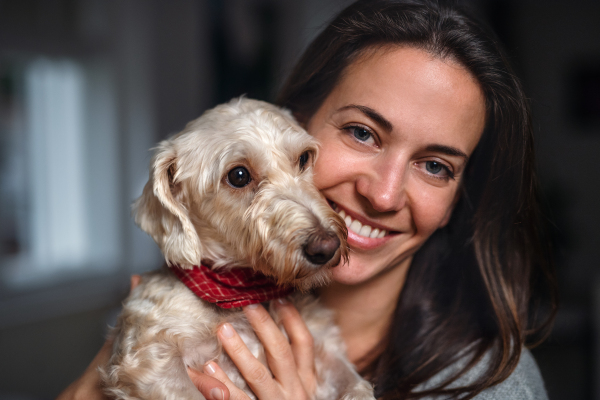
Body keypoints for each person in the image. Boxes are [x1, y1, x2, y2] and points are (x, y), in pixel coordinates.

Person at [58, 0, 557, 399]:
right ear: (295, 116)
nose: (383, 195)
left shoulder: (494, 386)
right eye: (362, 133)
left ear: (457, 196)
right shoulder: (162, 319)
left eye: (435, 166)